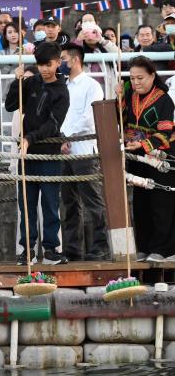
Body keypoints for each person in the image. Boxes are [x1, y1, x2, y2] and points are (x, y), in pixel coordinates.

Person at [5, 42, 70, 265]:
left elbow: (53, 124)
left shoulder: (62, 91)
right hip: (27, 153)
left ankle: (51, 250)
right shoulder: (32, 82)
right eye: (41, 64)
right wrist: (17, 81)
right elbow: (10, 106)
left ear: (58, 62)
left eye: (48, 64)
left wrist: (29, 138)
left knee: (50, 204)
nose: (44, 69)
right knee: (26, 205)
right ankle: (28, 250)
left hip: (48, 154)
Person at [119, 56, 175, 262]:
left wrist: (144, 145)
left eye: (140, 78)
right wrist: (119, 98)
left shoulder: (164, 100)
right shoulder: (129, 93)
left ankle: (162, 249)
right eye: (132, 78)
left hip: (161, 155)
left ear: (152, 75)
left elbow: (165, 134)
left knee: (160, 202)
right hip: (136, 153)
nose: (135, 82)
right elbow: (121, 118)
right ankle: (144, 246)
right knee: (140, 202)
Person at [59, 43, 109, 261]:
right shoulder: (63, 85)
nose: (61, 63)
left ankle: (100, 246)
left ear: (75, 59)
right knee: (69, 202)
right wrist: (61, 137)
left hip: (85, 149)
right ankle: (72, 248)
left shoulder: (92, 85)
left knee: (93, 200)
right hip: (64, 149)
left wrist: (67, 134)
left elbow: (90, 117)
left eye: (63, 58)